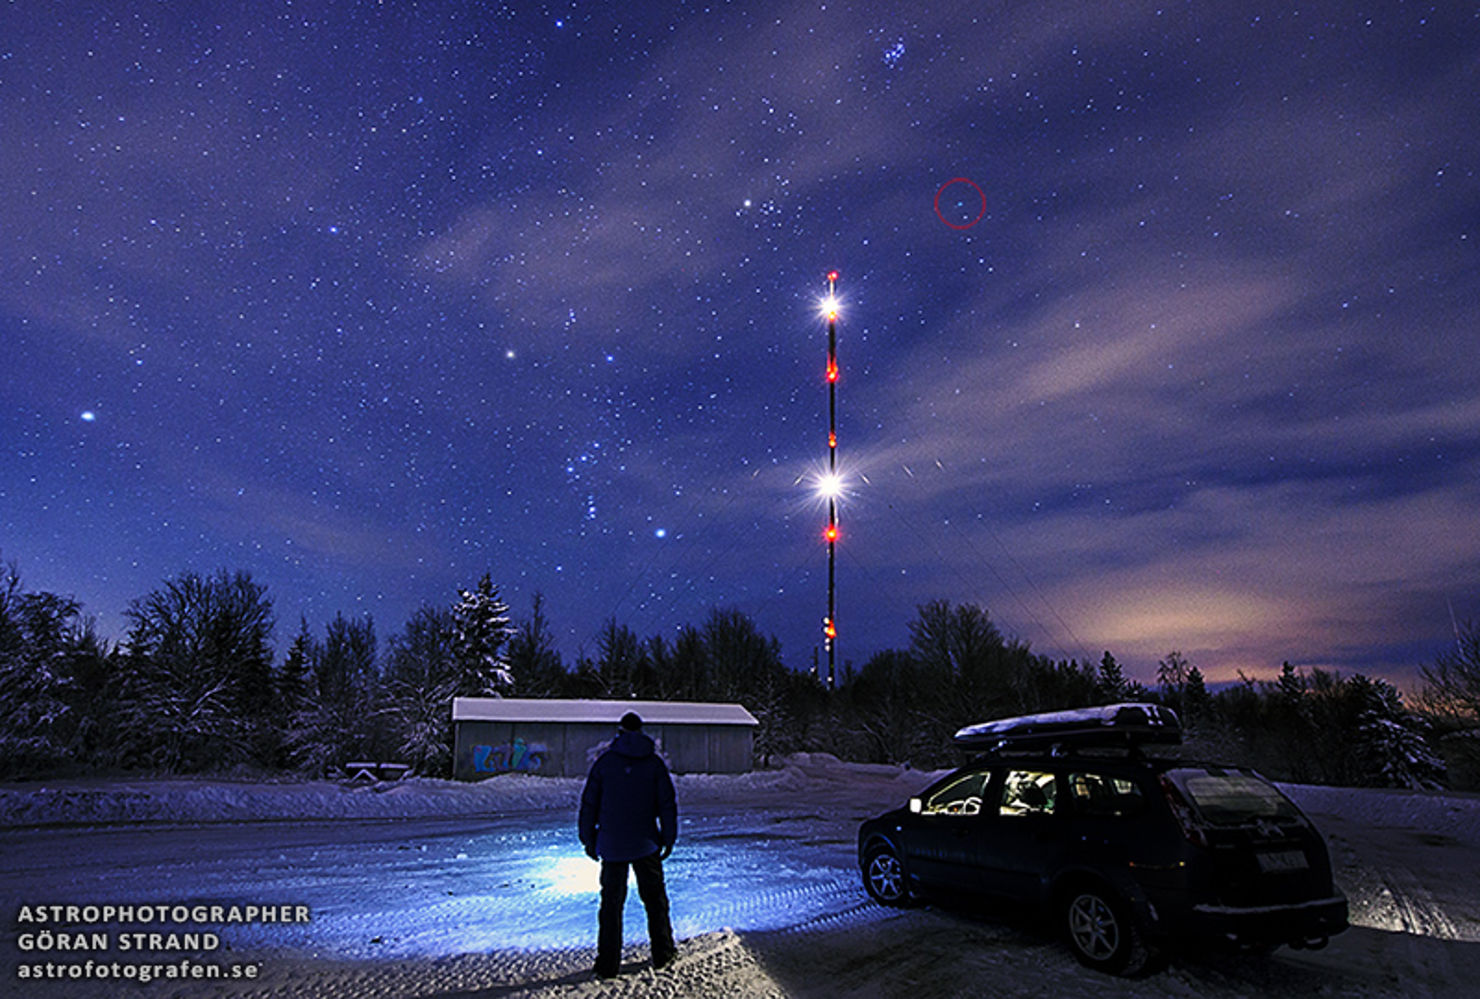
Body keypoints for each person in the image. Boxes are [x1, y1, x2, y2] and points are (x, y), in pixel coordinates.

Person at [578, 711, 678, 979]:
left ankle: (607, 963)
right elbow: (667, 804)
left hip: (611, 844)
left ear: (620, 731)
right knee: (655, 901)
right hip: (646, 843)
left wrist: (588, 838)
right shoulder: (654, 764)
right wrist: (668, 837)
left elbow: (590, 803)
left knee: (611, 906)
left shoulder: (605, 763)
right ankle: (663, 952)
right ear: (641, 731)